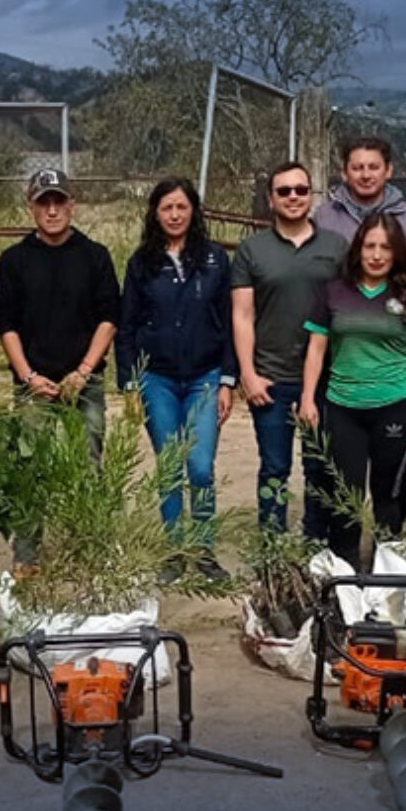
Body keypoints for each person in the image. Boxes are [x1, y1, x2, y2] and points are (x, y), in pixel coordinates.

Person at [115, 178, 237, 581]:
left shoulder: (216, 259)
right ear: (155, 213)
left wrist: (227, 380)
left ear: (193, 211)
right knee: (169, 466)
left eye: (181, 207)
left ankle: (202, 548)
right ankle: (173, 551)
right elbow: (127, 325)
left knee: (200, 466)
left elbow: (231, 322)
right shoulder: (141, 263)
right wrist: (130, 383)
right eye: (166, 207)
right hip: (157, 379)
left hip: (205, 375)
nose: (174, 214)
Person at [299, 213, 406, 568]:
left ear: (397, 253)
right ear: (358, 249)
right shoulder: (333, 291)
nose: (376, 254)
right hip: (343, 407)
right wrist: (308, 398)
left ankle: (387, 567)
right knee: (345, 494)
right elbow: (316, 347)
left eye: (385, 247)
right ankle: (344, 571)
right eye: (369, 246)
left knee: (389, 493)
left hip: (395, 405)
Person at [231, 161, 350, 537]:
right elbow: (242, 315)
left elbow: (348, 310)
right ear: (271, 199)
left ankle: (316, 545)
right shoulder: (252, 250)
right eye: (284, 191)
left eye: (301, 190)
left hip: (326, 379)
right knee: (274, 468)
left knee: (320, 467)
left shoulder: (336, 247)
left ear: (311, 195)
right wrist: (248, 375)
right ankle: (273, 551)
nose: (293, 197)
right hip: (271, 377)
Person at [0, 168, 120, 453]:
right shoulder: (14, 260)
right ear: (31, 207)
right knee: (32, 468)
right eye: (43, 203)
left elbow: (109, 318)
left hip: (85, 382)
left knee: (89, 462)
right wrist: (28, 376)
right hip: (34, 384)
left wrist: (83, 372)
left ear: (71, 206)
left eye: (59, 202)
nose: (52, 211)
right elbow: (6, 324)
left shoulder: (95, 256)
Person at [312, 136, 406, 254]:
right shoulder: (324, 217)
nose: (366, 175)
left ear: (388, 171)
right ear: (344, 173)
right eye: (357, 168)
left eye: (374, 168)